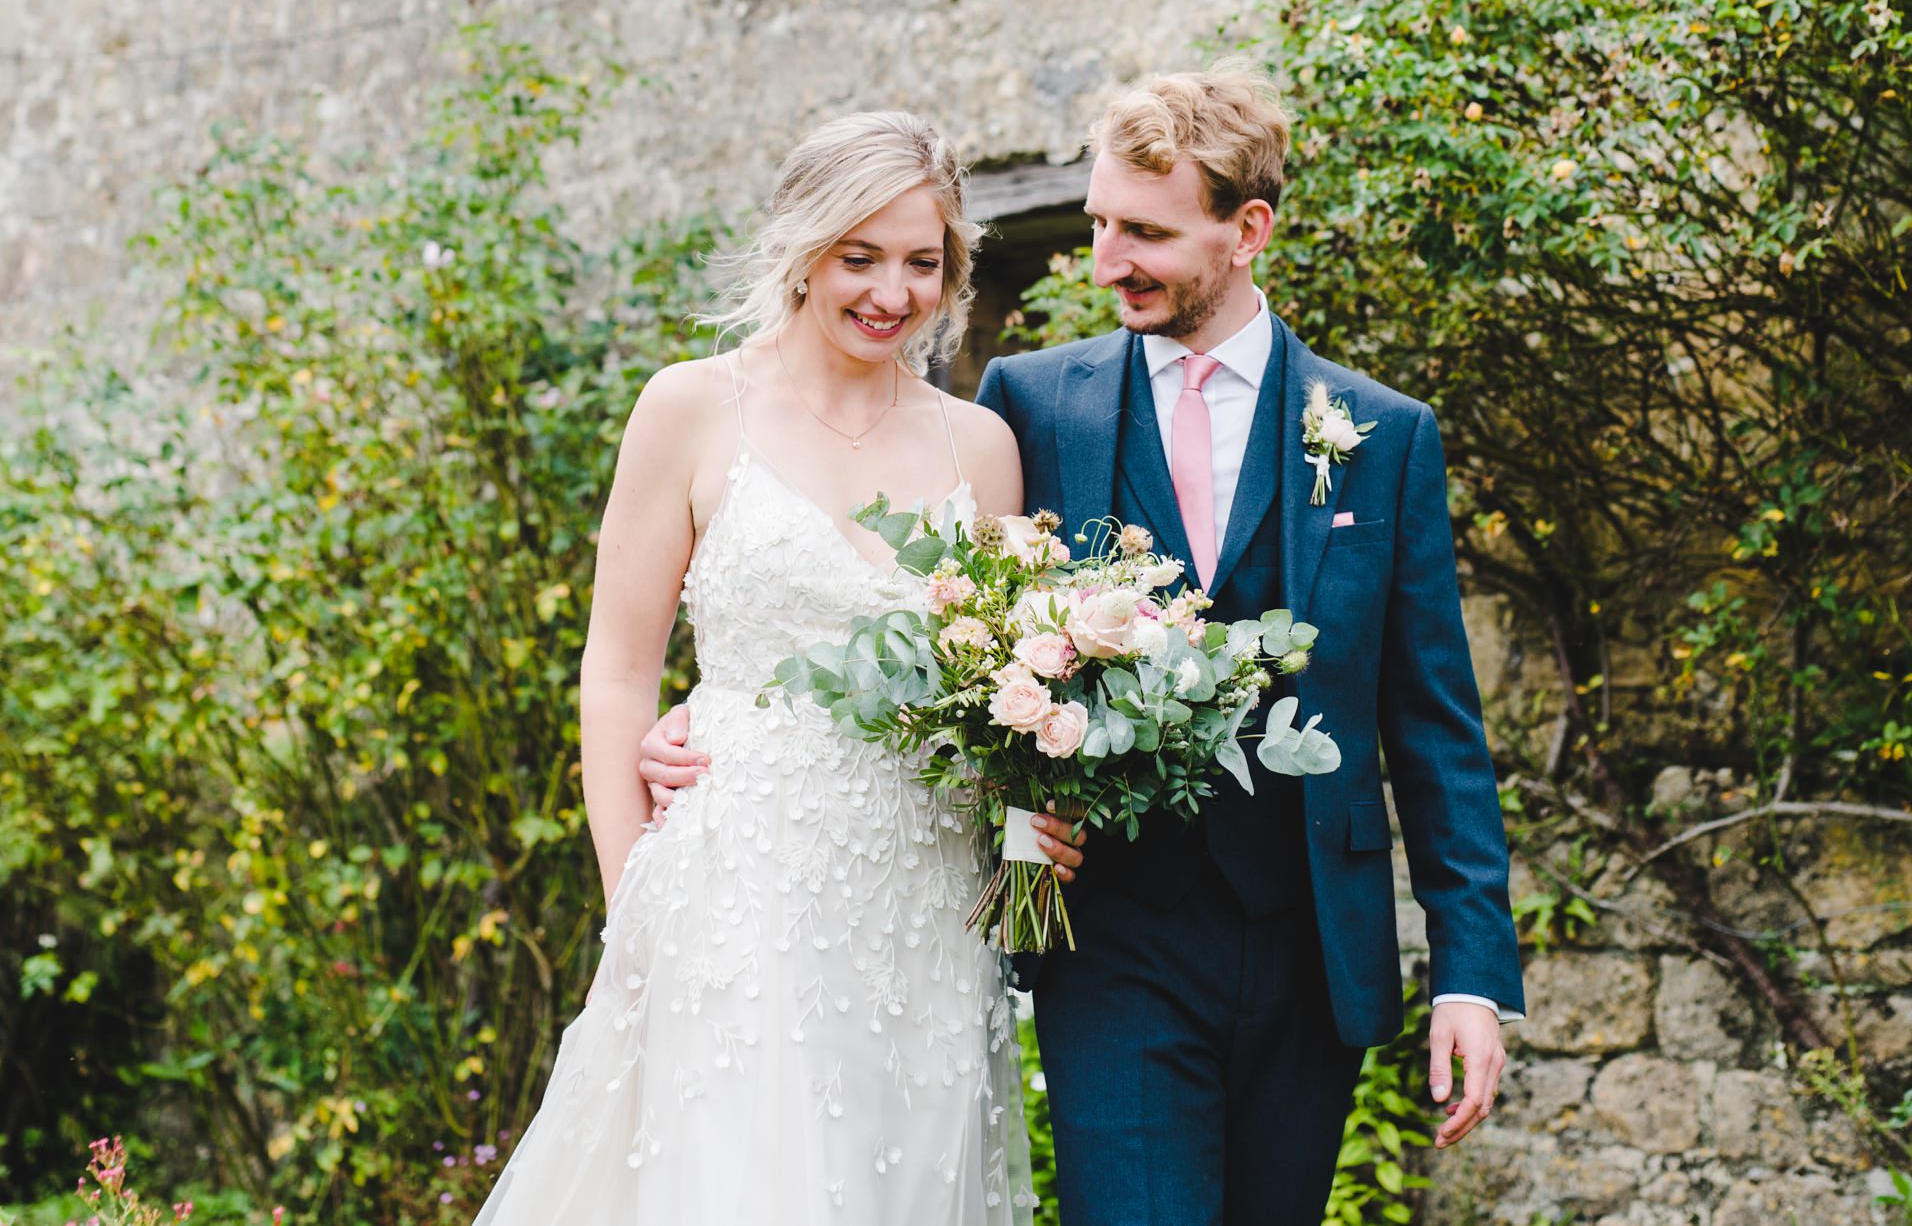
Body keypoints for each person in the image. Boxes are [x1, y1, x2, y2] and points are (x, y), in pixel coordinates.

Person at [640, 67, 1526, 1226]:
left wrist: (1470, 971)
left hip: (1312, 952)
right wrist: (732, 720)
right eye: (1100, 221)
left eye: (1145, 232)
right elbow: (946, 640)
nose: (1106, 258)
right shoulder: (1031, 407)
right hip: (1113, 939)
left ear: (1246, 230)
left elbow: (1434, 726)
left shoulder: (1380, 438)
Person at [473, 110, 1085, 1226]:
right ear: (801, 246)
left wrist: (1025, 875)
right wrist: (634, 914)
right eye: (859, 256)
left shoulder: (979, 445)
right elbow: (616, 671)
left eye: (921, 261)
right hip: (735, 894)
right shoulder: (691, 408)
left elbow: (1012, 700)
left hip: (926, 911)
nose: (890, 293)